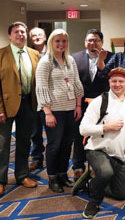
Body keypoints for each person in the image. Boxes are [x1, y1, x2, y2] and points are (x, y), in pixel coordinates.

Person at [0, 21, 40, 197]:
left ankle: (22, 175)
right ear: (10, 35)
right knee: (2, 145)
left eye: (23, 32)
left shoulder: (34, 54)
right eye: (16, 32)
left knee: (24, 142)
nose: (20, 35)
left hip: (28, 104)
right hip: (5, 106)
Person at [78, 67, 125, 219]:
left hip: (118, 154)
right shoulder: (100, 101)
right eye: (114, 81)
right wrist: (106, 127)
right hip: (97, 149)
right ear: (109, 82)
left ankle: (91, 183)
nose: (117, 84)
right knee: (106, 173)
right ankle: (93, 202)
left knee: (121, 194)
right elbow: (83, 129)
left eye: (121, 81)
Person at [36, 29, 84, 193]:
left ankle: (63, 174)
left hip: (70, 109)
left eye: (64, 41)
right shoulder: (45, 62)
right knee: (54, 145)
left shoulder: (70, 60)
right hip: (53, 111)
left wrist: (78, 106)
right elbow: (41, 88)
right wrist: (48, 113)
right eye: (58, 41)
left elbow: (77, 83)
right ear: (51, 42)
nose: (61, 44)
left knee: (66, 144)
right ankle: (53, 177)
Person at [72, 29, 114, 181]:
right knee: (79, 135)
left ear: (102, 42)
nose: (92, 43)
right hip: (81, 103)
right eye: (89, 40)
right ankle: (77, 166)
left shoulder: (111, 57)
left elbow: (111, 78)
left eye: (96, 40)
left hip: (103, 104)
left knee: (101, 134)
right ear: (85, 42)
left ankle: (98, 167)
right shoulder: (74, 58)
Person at [28, 27, 47, 172]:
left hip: (51, 99)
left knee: (53, 132)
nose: (36, 37)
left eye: (39, 34)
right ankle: (37, 158)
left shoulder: (54, 52)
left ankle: (55, 160)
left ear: (45, 37)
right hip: (33, 99)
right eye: (33, 35)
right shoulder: (27, 54)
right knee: (35, 132)